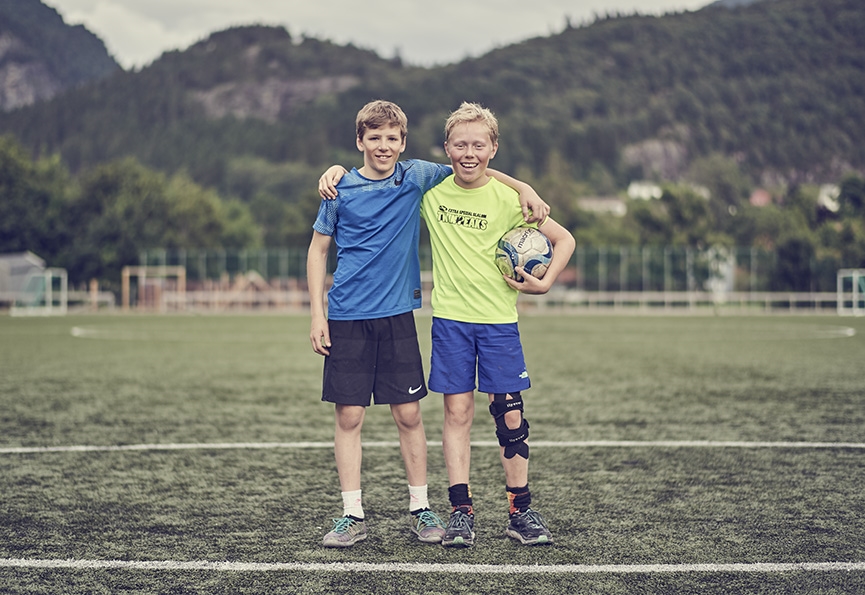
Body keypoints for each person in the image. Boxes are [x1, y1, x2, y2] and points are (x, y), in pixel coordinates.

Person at [308, 99, 549, 548]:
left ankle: (422, 507)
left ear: (404, 144)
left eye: (392, 138)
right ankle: (352, 514)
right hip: (346, 317)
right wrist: (317, 313)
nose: (383, 145)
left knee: (410, 414)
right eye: (373, 137)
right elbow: (318, 250)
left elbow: (472, 169)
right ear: (359, 140)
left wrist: (524, 186)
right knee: (349, 416)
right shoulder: (339, 189)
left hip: (399, 316)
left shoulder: (416, 175)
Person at [420, 102, 576, 547]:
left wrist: (544, 285)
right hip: (451, 321)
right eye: (460, 144)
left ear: (493, 148)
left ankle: (520, 510)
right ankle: (461, 512)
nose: (469, 153)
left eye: (478, 144)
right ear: (446, 148)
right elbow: (388, 169)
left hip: (499, 323)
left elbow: (564, 240)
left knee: (510, 415)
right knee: (457, 413)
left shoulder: (512, 200)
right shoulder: (431, 192)